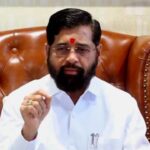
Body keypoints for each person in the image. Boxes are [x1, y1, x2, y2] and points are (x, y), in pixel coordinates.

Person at [0, 8, 149, 150]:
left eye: (82, 49)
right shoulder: (18, 103)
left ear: (97, 53)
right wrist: (28, 133)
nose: (72, 58)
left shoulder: (122, 106)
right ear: (47, 51)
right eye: (62, 48)